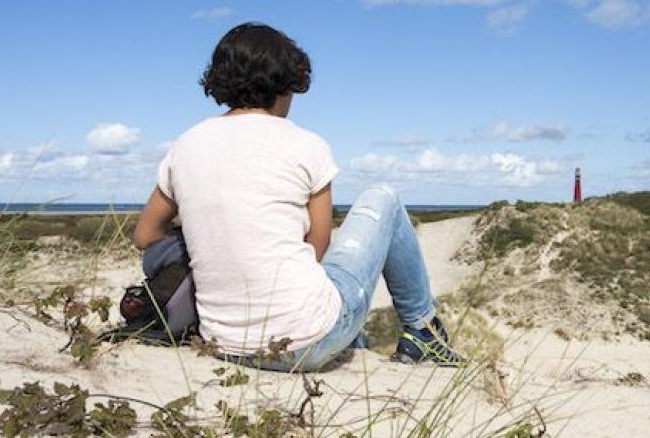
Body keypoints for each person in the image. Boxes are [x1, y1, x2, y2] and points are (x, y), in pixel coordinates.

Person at [132, 23, 464, 371]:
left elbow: (145, 236)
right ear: (286, 85)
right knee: (385, 197)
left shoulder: (186, 145)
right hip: (307, 342)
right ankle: (425, 333)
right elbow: (317, 247)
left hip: (225, 344)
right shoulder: (307, 145)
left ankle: (374, 340)